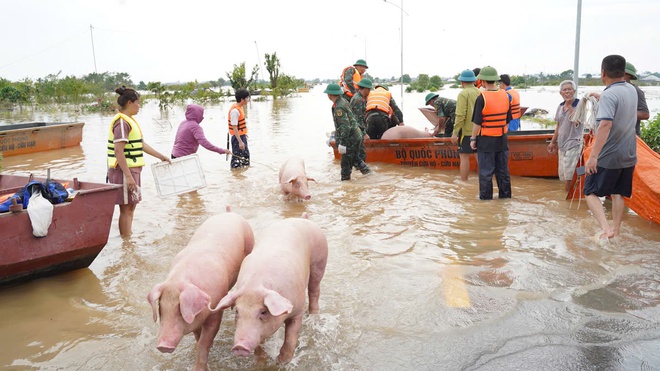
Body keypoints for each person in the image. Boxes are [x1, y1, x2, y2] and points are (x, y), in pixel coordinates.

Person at [584, 55, 638, 241]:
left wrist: (593, 157)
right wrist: (603, 98)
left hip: (609, 155)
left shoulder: (609, 94)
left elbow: (605, 125)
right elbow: (620, 107)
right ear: (624, 72)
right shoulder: (631, 90)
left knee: (589, 192)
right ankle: (616, 230)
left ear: (603, 72)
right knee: (618, 193)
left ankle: (606, 230)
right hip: (629, 154)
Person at [107, 86, 170, 237]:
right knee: (126, 209)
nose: (139, 106)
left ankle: (127, 239)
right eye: (138, 103)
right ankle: (126, 242)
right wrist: (128, 176)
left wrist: (161, 156)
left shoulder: (129, 121)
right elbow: (118, 151)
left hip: (131, 170)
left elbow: (140, 144)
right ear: (129, 103)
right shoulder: (122, 123)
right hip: (123, 171)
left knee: (131, 207)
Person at [469, 66, 512, 200]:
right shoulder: (505, 95)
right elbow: (508, 120)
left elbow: (477, 123)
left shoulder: (482, 98)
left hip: (486, 140)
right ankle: (505, 199)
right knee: (503, 172)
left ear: (482, 81)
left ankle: (486, 201)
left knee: (486, 173)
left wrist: (473, 139)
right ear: (495, 80)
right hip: (502, 139)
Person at [324, 83, 371, 181]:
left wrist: (343, 144)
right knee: (355, 158)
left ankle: (346, 187)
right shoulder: (343, 101)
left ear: (329, 95)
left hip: (351, 138)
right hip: (356, 135)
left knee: (345, 165)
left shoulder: (339, 107)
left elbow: (345, 127)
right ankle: (369, 174)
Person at [547, 80, 583, 192]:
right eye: (564, 90)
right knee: (563, 174)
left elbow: (576, 121)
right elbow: (559, 125)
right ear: (560, 93)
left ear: (574, 91)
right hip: (562, 144)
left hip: (574, 143)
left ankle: (568, 198)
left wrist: (570, 105)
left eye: (569, 89)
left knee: (569, 175)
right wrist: (553, 142)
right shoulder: (560, 106)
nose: (567, 92)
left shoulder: (579, 105)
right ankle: (567, 197)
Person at [451, 69, 481, 181]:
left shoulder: (463, 94)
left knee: (464, 156)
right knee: (480, 156)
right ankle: (485, 181)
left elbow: (460, 115)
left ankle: (464, 183)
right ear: (473, 81)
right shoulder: (480, 92)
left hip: (467, 131)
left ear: (462, 82)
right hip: (480, 131)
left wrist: (455, 133)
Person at [623, 62, 650, 136]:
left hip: (632, 136)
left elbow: (645, 114)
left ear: (628, 75)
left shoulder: (636, 91)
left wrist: (620, 113)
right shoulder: (614, 90)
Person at [228, 88, 250, 169]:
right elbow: (234, 127)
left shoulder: (240, 108)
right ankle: (235, 174)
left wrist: (244, 134)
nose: (248, 100)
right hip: (237, 138)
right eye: (247, 98)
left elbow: (239, 126)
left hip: (241, 136)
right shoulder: (235, 111)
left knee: (245, 157)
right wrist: (240, 141)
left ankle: (240, 178)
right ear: (242, 99)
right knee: (237, 159)